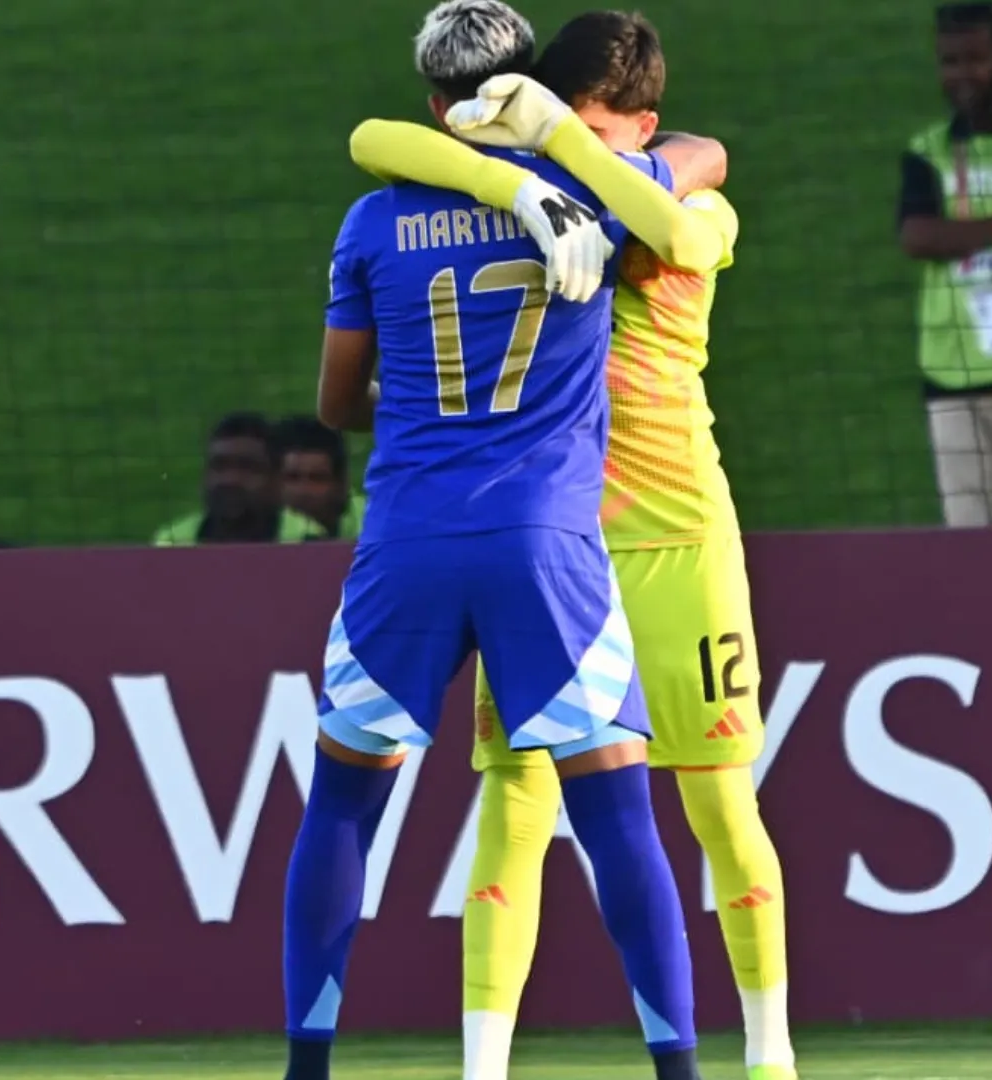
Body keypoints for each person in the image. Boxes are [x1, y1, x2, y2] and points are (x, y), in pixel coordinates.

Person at [348, 13, 795, 1080]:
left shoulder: (692, 208)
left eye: (585, 130)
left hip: (685, 542)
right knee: (514, 801)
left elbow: (679, 228)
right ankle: (482, 1069)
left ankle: (772, 1059)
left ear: (639, 127)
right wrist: (530, 176)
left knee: (723, 806)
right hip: (559, 555)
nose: (556, 148)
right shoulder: (522, 208)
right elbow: (376, 141)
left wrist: (575, 152)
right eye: (548, 125)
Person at [280, 4, 701, 1080]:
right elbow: (698, 157)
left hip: (409, 543)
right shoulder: (596, 206)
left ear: (432, 104)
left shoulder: (371, 223)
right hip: (547, 549)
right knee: (620, 823)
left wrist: (425, 400)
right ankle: (680, 1071)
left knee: (341, 805)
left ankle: (309, 1066)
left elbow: (334, 405)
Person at [897, 1, 992, 527]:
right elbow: (918, 236)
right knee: (972, 541)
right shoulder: (929, 150)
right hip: (953, 372)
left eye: (976, 59)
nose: (961, 74)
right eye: (949, 61)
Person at [152, 412, 327, 544]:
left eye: (247, 467)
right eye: (219, 466)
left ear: (276, 479)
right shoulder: (174, 541)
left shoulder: (307, 541)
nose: (230, 480)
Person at [273, 415, 367, 540]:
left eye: (317, 478)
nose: (303, 491)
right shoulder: (255, 526)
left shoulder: (374, 520)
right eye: (292, 478)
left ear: (341, 483)